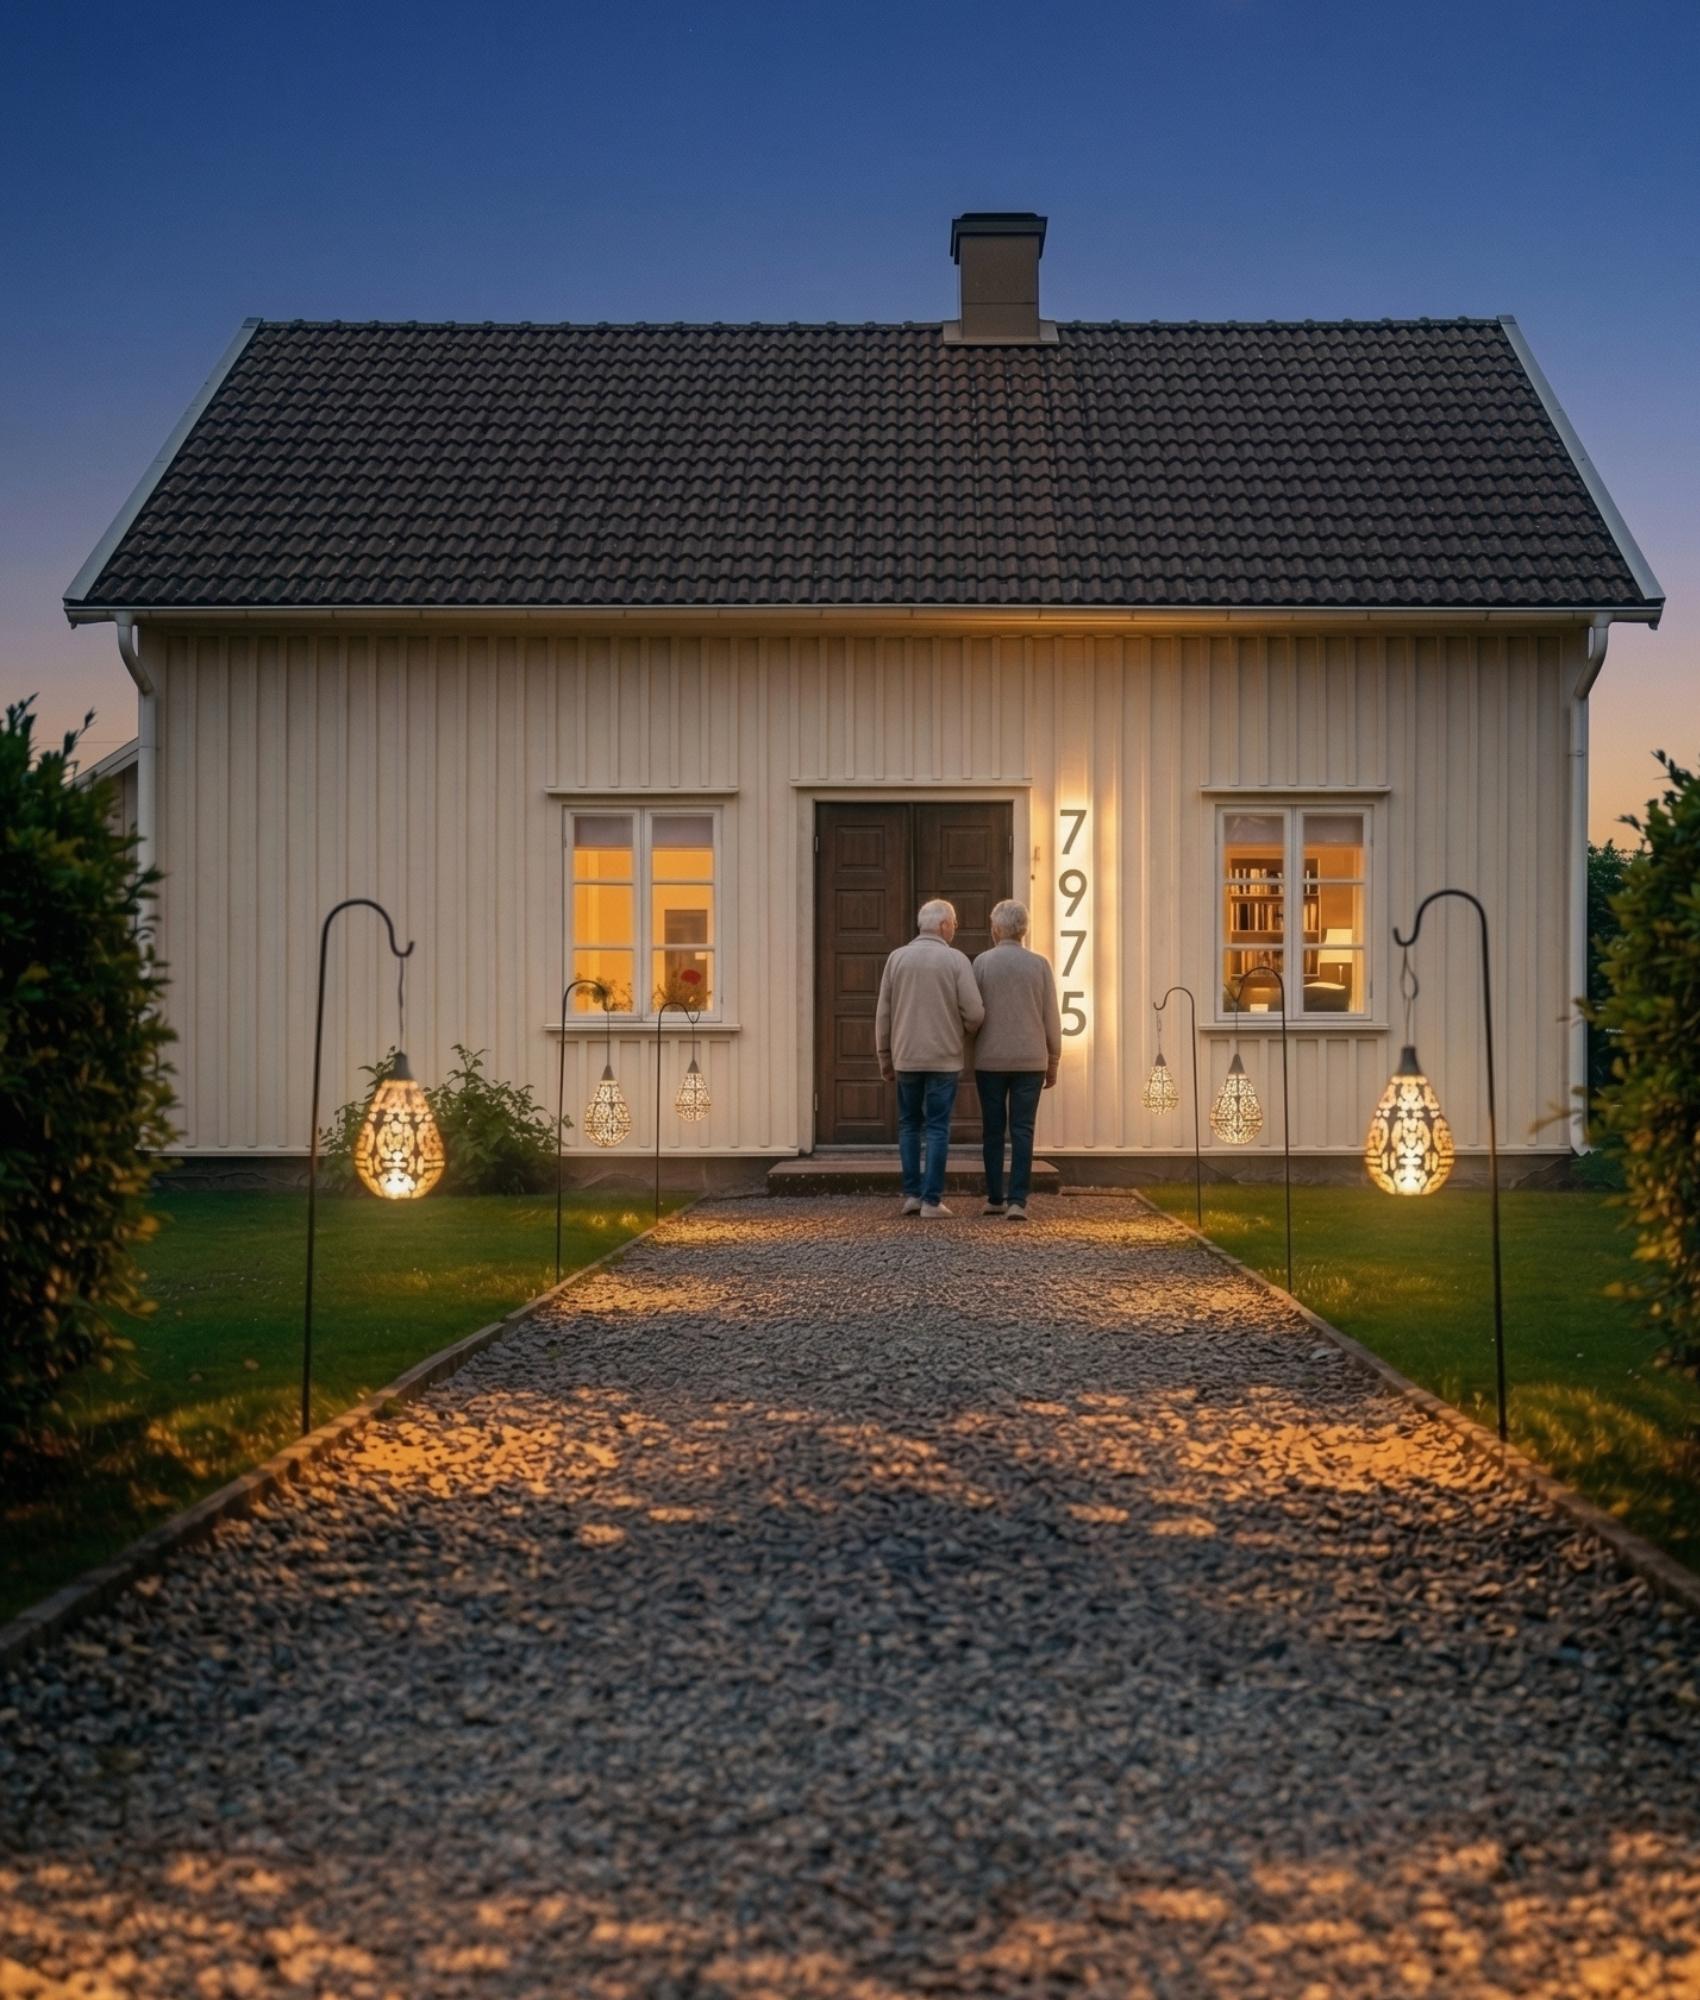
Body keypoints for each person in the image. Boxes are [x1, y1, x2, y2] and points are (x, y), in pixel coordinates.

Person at [875, 899, 985, 1218]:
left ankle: (912, 1195)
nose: (955, 929)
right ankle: (932, 1201)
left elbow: (883, 1014)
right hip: (944, 1058)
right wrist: (959, 1033)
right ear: (943, 925)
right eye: (954, 924)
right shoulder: (956, 960)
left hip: (906, 1057)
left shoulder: (896, 959)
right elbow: (975, 1013)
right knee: (937, 1127)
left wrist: (885, 1057)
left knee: (909, 1125)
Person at [972, 899, 1061, 1220]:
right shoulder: (1039, 965)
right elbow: (1051, 1017)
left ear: (997, 929)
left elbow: (972, 1011)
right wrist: (1054, 1060)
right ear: (1024, 930)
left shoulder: (982, 963)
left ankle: (995, 1197)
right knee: (1023, 1130)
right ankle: (1018, 1201)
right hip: (1031, 1061)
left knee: (993, 1130)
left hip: (990, 1060)